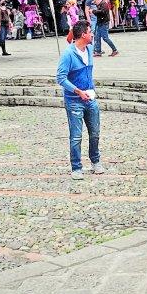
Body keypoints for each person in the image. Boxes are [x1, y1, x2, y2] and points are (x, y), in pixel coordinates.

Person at [56, 21, 106, 180]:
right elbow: (60, 78)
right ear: (83, 34)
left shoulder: (90, 49)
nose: (92, 34)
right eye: (90, 31)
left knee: (95, 132)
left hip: (90, 98)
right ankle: (76, 167)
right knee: (76, 136)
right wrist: (78, 91)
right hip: (74, 100)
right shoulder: (68, 54)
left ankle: (95, 161)